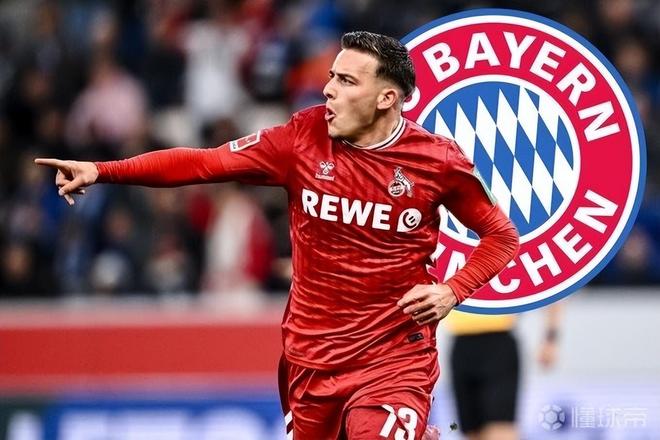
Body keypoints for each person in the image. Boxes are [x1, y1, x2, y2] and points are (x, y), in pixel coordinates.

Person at [35, 31, 519, 440]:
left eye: (346, 81)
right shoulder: (300, 139)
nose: (327, 90)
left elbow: (501, 236)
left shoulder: (437, 161)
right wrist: (102, 170)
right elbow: (204, 163)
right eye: (331, 76)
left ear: (386, 98)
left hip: (393, 355)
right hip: (311, 358)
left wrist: (453, 290)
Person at [445, 304, 562, 440]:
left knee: (501, 428)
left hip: (498, 344)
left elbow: (551, 296)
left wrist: (550, 338)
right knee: (471, 431)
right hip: (460, 343)